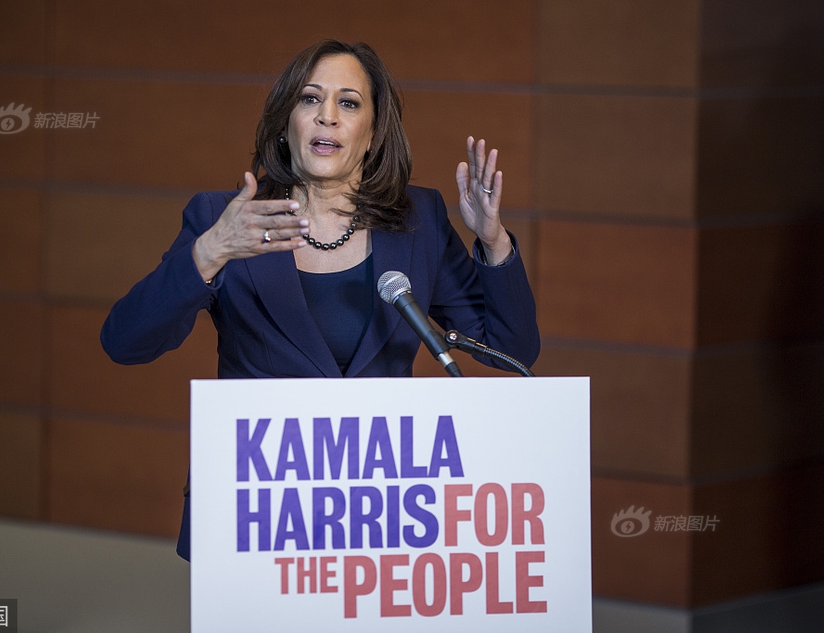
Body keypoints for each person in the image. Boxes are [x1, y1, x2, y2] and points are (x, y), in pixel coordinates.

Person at [100, 40, 540, 560]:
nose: (327, 116)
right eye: (310, 99)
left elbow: (511, 348)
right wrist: (211, 250)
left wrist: (493, 241)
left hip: (381, 510)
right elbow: (124, 343)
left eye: (349, 103)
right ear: (285, 122)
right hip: (257, 512)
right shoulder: (225, 219)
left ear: (373, 133)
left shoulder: (418, 219)